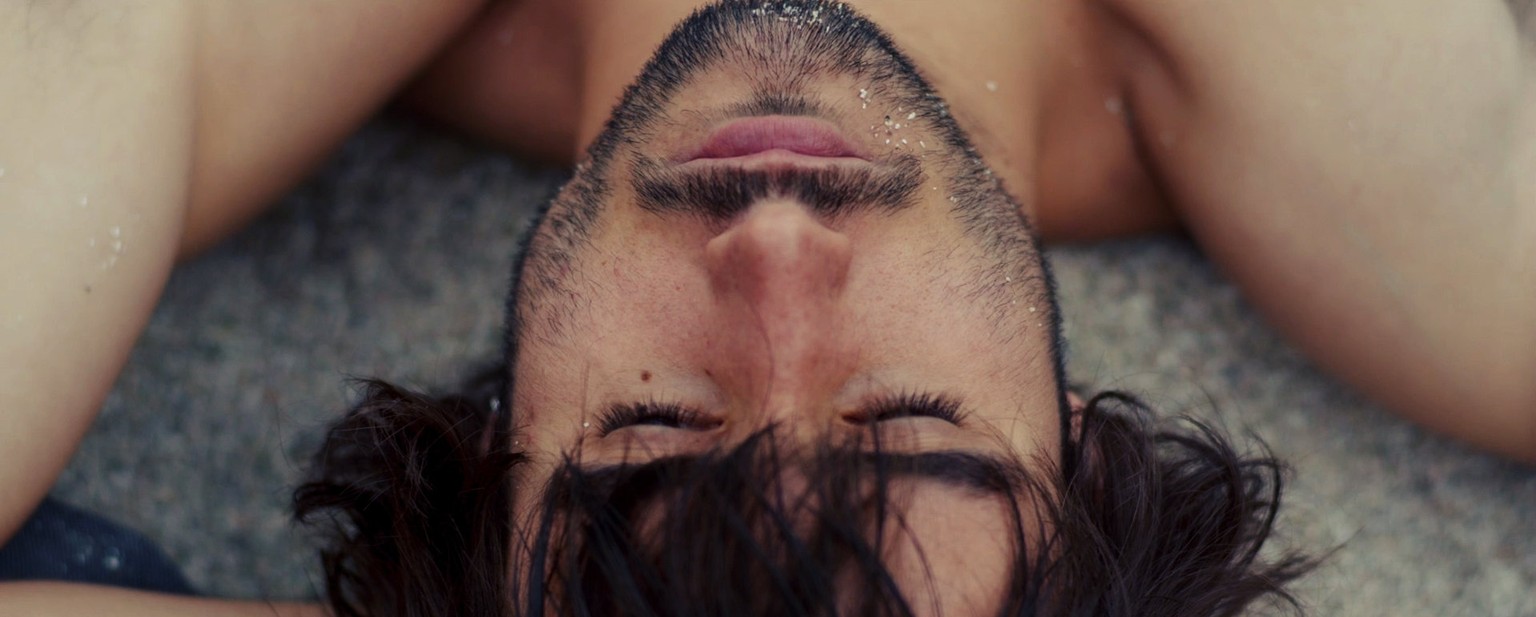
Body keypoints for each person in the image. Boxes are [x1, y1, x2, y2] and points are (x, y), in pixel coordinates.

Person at [0, 0, 1529, 614]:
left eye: (655, 420)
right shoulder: (1377, 145)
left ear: (497, 437)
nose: (779, 253)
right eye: (905, 415)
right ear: (1076, 445)